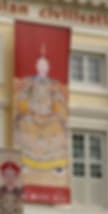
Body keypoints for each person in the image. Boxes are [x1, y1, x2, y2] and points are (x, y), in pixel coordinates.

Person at [14, 46, 69, 193]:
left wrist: (55, 110)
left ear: (48, 67)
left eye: (45, 66)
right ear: (36, 66)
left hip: (48, 115)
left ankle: (56, 165)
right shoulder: (30, 82)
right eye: (40, 65)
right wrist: (26, 108)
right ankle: (26, 163)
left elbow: (58, 98)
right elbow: (22, 96)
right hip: (32, 114)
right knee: (24, 124)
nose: (42, 68)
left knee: (58, 127)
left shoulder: (53, 83)